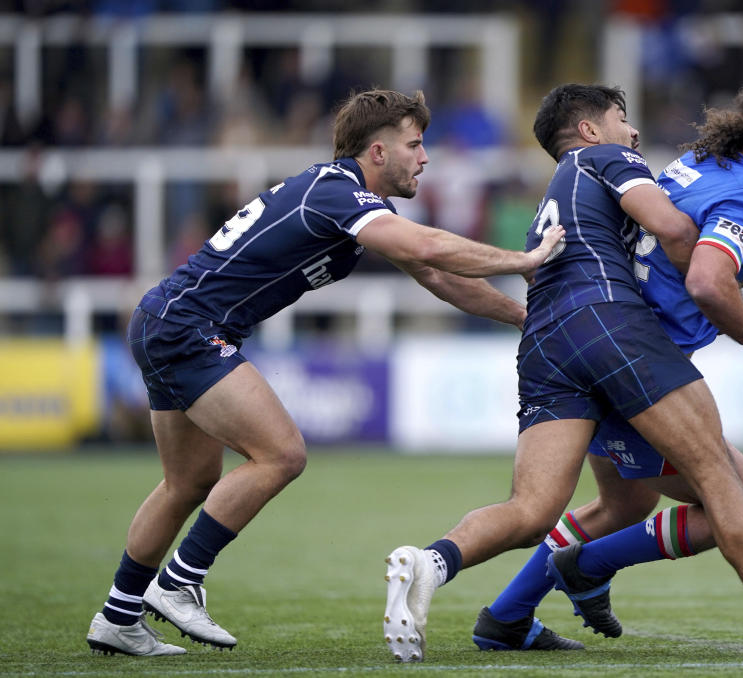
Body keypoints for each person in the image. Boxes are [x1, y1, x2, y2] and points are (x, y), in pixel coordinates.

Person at [85, 88, 564, 657]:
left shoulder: (343, 197)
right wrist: (524, 260)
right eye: (415, 144)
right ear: (378, 151)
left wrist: (519, 315)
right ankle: (180, 582)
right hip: (187, 326)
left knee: (187, 483)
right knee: (281, 454)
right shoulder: (339, 191)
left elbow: (435, 274)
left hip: (165, 319)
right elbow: (430, 246)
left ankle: (118, 614)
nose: (425, 157)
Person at [383, 78, 743, 664]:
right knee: (734, 492)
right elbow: (703, 271)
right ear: (591, 128)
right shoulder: (621, 160)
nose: (634, 130)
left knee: (589, 506)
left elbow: (691, 244)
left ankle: (475, 593)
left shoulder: (689, 165)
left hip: (557, 342)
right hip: (628, 345)